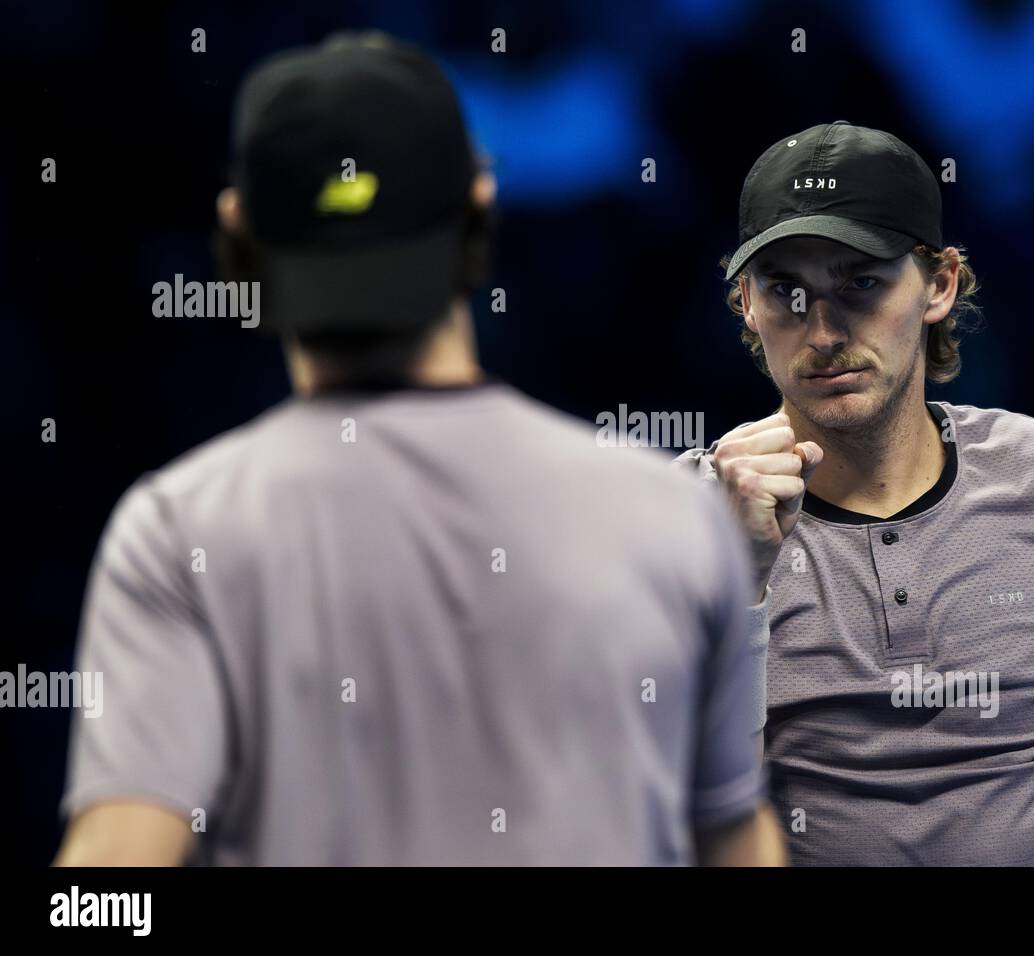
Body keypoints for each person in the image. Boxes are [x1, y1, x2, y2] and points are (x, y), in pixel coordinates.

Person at [53, 32, 783, 867]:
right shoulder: (673, 515)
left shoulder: (180, 532)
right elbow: (736, 840)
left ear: (237, 232)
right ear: (480, 204)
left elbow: (110, 885)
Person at [675, 121, 1034, 866]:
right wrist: (739, 584)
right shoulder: (677, 520)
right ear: (746, 302)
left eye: (860, 284)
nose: (823, 330)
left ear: (938, 283)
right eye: (787, 291)